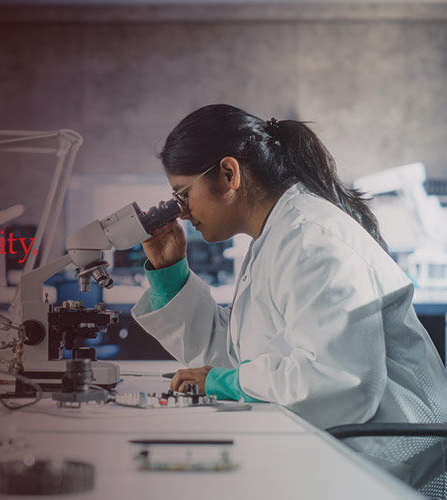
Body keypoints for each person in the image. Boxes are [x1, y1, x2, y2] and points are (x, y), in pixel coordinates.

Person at [133, 104, 447, 494]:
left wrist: (226, 383)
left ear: (229, 174)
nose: (181, 212)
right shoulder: (275, 239)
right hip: (342, 447)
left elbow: (340, 384)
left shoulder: (313, 240)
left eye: (183, 194)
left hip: (385, 463)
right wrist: (171, 275)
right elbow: (236, 359)